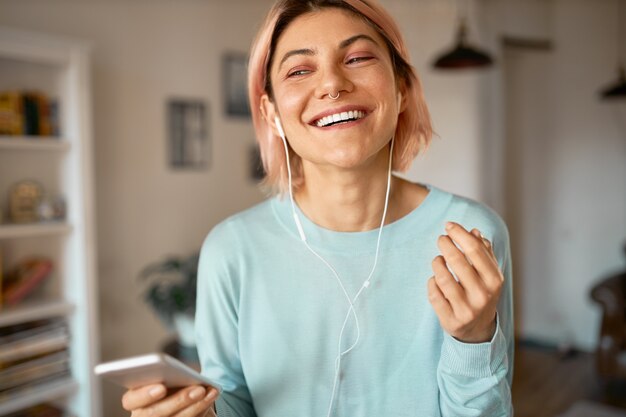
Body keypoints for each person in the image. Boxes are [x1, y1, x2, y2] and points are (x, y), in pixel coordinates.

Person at [121, 0, 514, 416]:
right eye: (299, 70)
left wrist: (473, 340)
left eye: (358, 58)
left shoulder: (470, 236)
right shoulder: (231, 250)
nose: (332, 84)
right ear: (271, 113)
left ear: (401, 90)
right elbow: (231, 401)